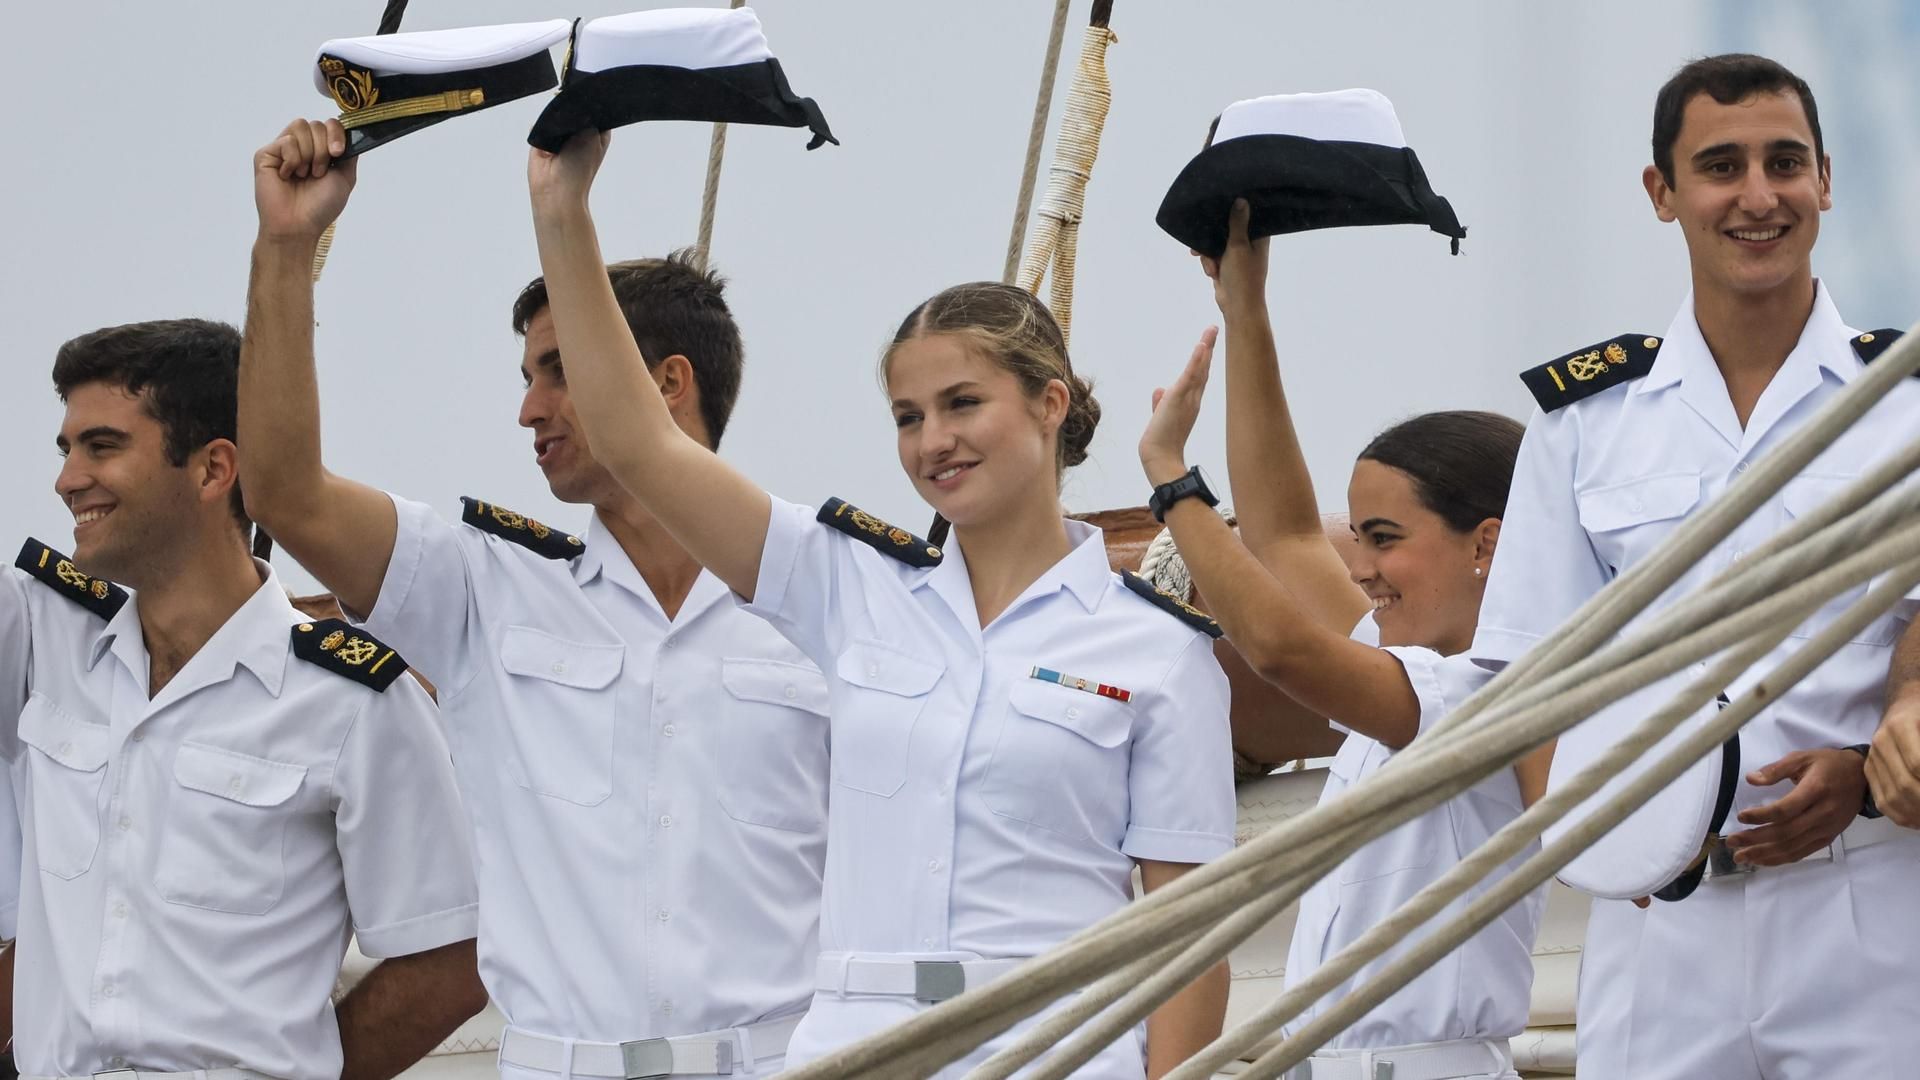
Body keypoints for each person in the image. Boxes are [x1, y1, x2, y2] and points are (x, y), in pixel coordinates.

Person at [525, 127, 1236, 1079]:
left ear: (1050, 403)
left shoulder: (1158, 652)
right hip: (859, 1053)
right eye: (909, 417)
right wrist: (560, 212)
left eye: (961, 404)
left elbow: (1189, 938)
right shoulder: (847, 587)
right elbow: (640, 446)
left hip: (1057, 1052)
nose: (932, 439)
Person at [238, 119, 830, 1078]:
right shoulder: (485, 589)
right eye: (526, 376)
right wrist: (285, 247)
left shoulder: (830, 603)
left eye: (559, 369)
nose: (528, 409)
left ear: (667, 384)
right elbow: (284, 494)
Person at [1471, 54, 1920, 1078]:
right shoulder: (1585, 426)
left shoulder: (1905, 407)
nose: (1758, 197)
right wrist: (1607, 845)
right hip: (1658, 925)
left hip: (1871, 901)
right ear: (1662, 193)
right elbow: (1533, 682)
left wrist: (1873, 759)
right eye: (1721, 166)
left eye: (1785, 163)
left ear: (1827, 181)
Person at [0, 318, 485, 1080]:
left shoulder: (353, 700)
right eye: (66, 450)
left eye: (102, 447)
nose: (67, 479)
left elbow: (449, 960)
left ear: (212, 468)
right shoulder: (39, 639)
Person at [1137, 200, 1542, 1080]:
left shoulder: (1489, 691)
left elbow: (1278, 648)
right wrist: (1245, 307)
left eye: (1386, 538)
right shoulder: (1405, 669)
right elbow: (1283, 533)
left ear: (1487, 542)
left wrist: (1174, 485)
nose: (1363, 568)